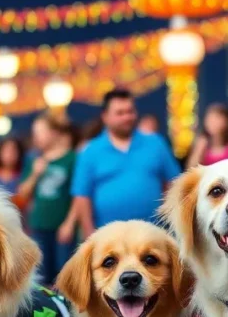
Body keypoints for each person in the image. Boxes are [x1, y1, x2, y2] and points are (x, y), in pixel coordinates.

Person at [70, 89, 181, 236]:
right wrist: (89, 232)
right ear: (105, 117)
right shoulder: (90, 151)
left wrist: (173, 220)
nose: (127, 117)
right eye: (120, 113)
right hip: (107, 235)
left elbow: (174, 183)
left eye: (130, 111)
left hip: (153, 232)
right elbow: (82, 196)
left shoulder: (155, 143)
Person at [16, 113, 78, 286]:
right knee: (41, 274)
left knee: (64, 273)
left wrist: (70, 223)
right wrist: (35, 174)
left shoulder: (72, 158)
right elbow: (23, 193)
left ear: (54, 133)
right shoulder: (34, 159)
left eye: (40, 132)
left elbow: (78, 195)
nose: (36, 137)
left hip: (62, 226)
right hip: (38, 225)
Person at [186, 103, 228, 168]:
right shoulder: (201, 145)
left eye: (217, 118)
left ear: (226, 122)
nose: (212, 122)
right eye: (210, 117)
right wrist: (198, 150)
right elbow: (190, 171)